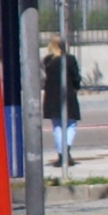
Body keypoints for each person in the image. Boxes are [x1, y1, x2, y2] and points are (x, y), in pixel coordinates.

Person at [42, 38, 83, 168]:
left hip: (51, 96)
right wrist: (76, 86)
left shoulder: (48, 60)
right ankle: (65, 151)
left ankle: (61, 154)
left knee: (57, 126)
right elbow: (76, 77)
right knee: (71, 124)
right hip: (68, 94)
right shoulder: (69, 59)